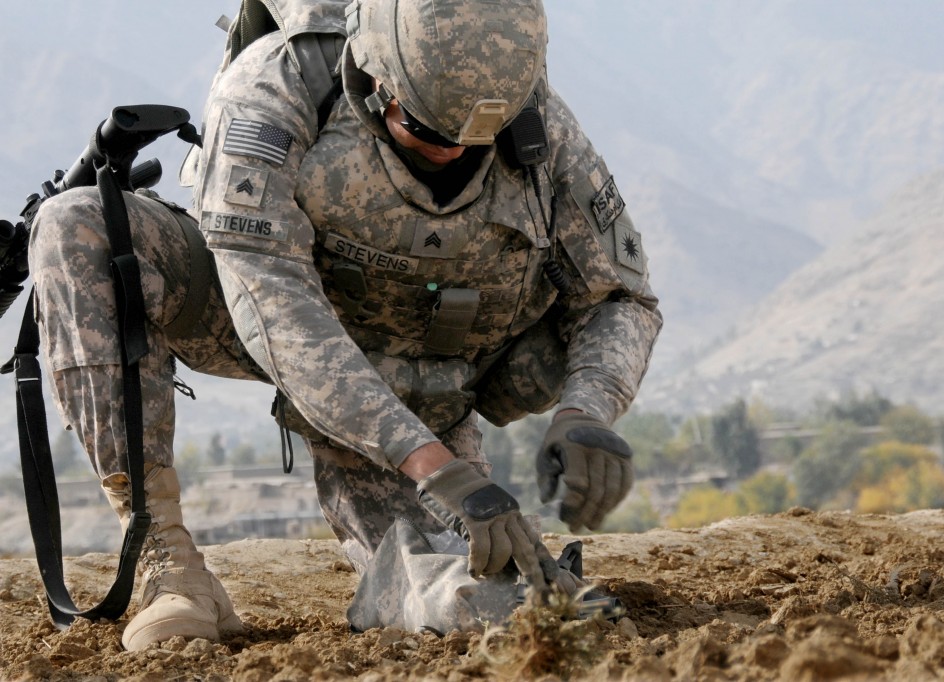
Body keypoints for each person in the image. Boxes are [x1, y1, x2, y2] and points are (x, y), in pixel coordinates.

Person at [26, 0, 661, 650]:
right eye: (428, 131)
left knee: (466, 593)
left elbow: (622, 298)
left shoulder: (539, 127)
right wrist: (433, 466)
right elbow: (272, 302)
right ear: (375, 76)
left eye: (475, 141)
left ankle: (447, 568)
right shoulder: (281, 84)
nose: (453, 153)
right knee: (79, 226)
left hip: (420, 374)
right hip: (255, 315)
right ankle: (167, 564)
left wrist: (586, 412)